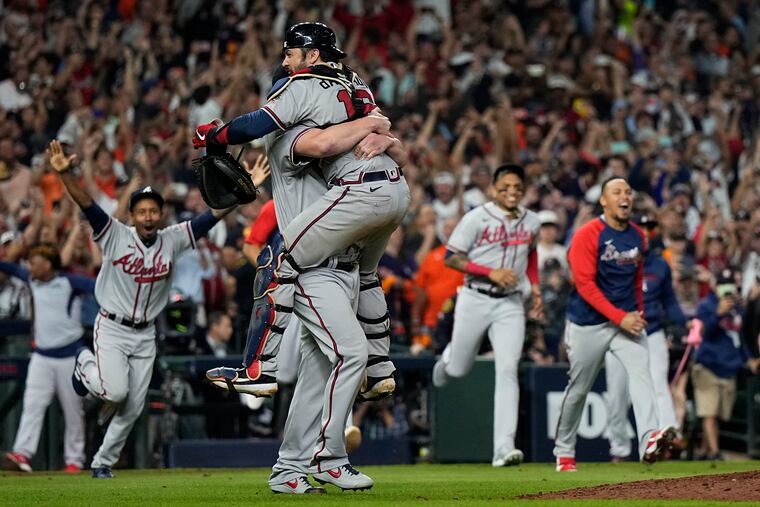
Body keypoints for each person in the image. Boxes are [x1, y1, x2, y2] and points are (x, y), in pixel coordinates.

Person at [197, 23, 410, 405]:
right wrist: (381, 129)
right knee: (369, 275)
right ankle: (380, 371)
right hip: (394, 189)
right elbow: (381, 124)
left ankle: (257, 369)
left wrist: (215, 136)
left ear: (312, 56)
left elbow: (262, 124)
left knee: (277, 259)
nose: (286, 62)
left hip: (354, 200)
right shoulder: (355, 83)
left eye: (289, 54)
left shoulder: (301, 91)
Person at [45, 139, 268, 478]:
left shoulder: (173, 238)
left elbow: (211, 216)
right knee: (115, 391)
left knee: (133, 406)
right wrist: (66, 176)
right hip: (113, 327)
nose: (148, 216)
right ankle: (83, 363)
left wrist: (243, 188)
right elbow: (87, 202)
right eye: (141, 211)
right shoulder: (113, 234)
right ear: (132, 215)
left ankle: (102, 462)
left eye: (153, 210)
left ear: (160, 214)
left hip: (145, 333)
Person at [553, 177, 676, 472]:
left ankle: (648, 439)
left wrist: (638, 313)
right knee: (579, 388)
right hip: (588, 323)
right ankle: (565, 451)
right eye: (616, 192)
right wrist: (620, 317)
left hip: (626, 322)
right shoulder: (586, 235)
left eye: (628, 192)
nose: (624, 197)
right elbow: (585, 285)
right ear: (603, 201)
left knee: (642, 374)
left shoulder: (638, 237)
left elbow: (636, 281)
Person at [431, 164, 541, 467]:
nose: (511, 192)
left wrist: (537, 289)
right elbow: (451, 258)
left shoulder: (532, 221)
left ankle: (503, 448)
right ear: (493, 188)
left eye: (517, 187)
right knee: (458, 370)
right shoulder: (476, 217)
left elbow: (531, 254)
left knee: (508, 369)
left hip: (511, 303)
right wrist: (490, 272)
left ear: (523, 189)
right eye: (505, 187)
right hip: (475, 297)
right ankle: (448, 358)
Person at [2, 244, 94, 473]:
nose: (30, 266)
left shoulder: (70, 282)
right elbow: (10, 268)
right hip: (41, 356)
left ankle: (74, 460)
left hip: (69, 356)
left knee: (73, 411)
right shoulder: (32, 280)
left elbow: (99, 287)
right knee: (32, 405)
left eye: (34, 262)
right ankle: (22, 454)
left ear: (47, 264)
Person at [605, 213, 687, 462]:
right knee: (618, 392)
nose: (646, 231)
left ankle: (668, 440)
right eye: (641, 227)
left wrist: (682, 324)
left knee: (658, 385)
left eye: (650, 227)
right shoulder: (616, 258)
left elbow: (669, 301)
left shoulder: (660, 264)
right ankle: (619, 449)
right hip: (618, 332)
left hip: (651, 332)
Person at [692, 268, 760, 460]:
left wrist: (748, 359)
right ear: (716, 286)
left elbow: (739, 338)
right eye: (723, 284)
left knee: (722, 415)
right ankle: (714, 453)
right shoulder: (706, 305)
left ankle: (705, 449)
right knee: (709, 413)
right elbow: (704, 333)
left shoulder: (737, 309)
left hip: (729, 367)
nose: (727, 288)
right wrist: (718, 314)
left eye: (729, 284)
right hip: (708, 365)